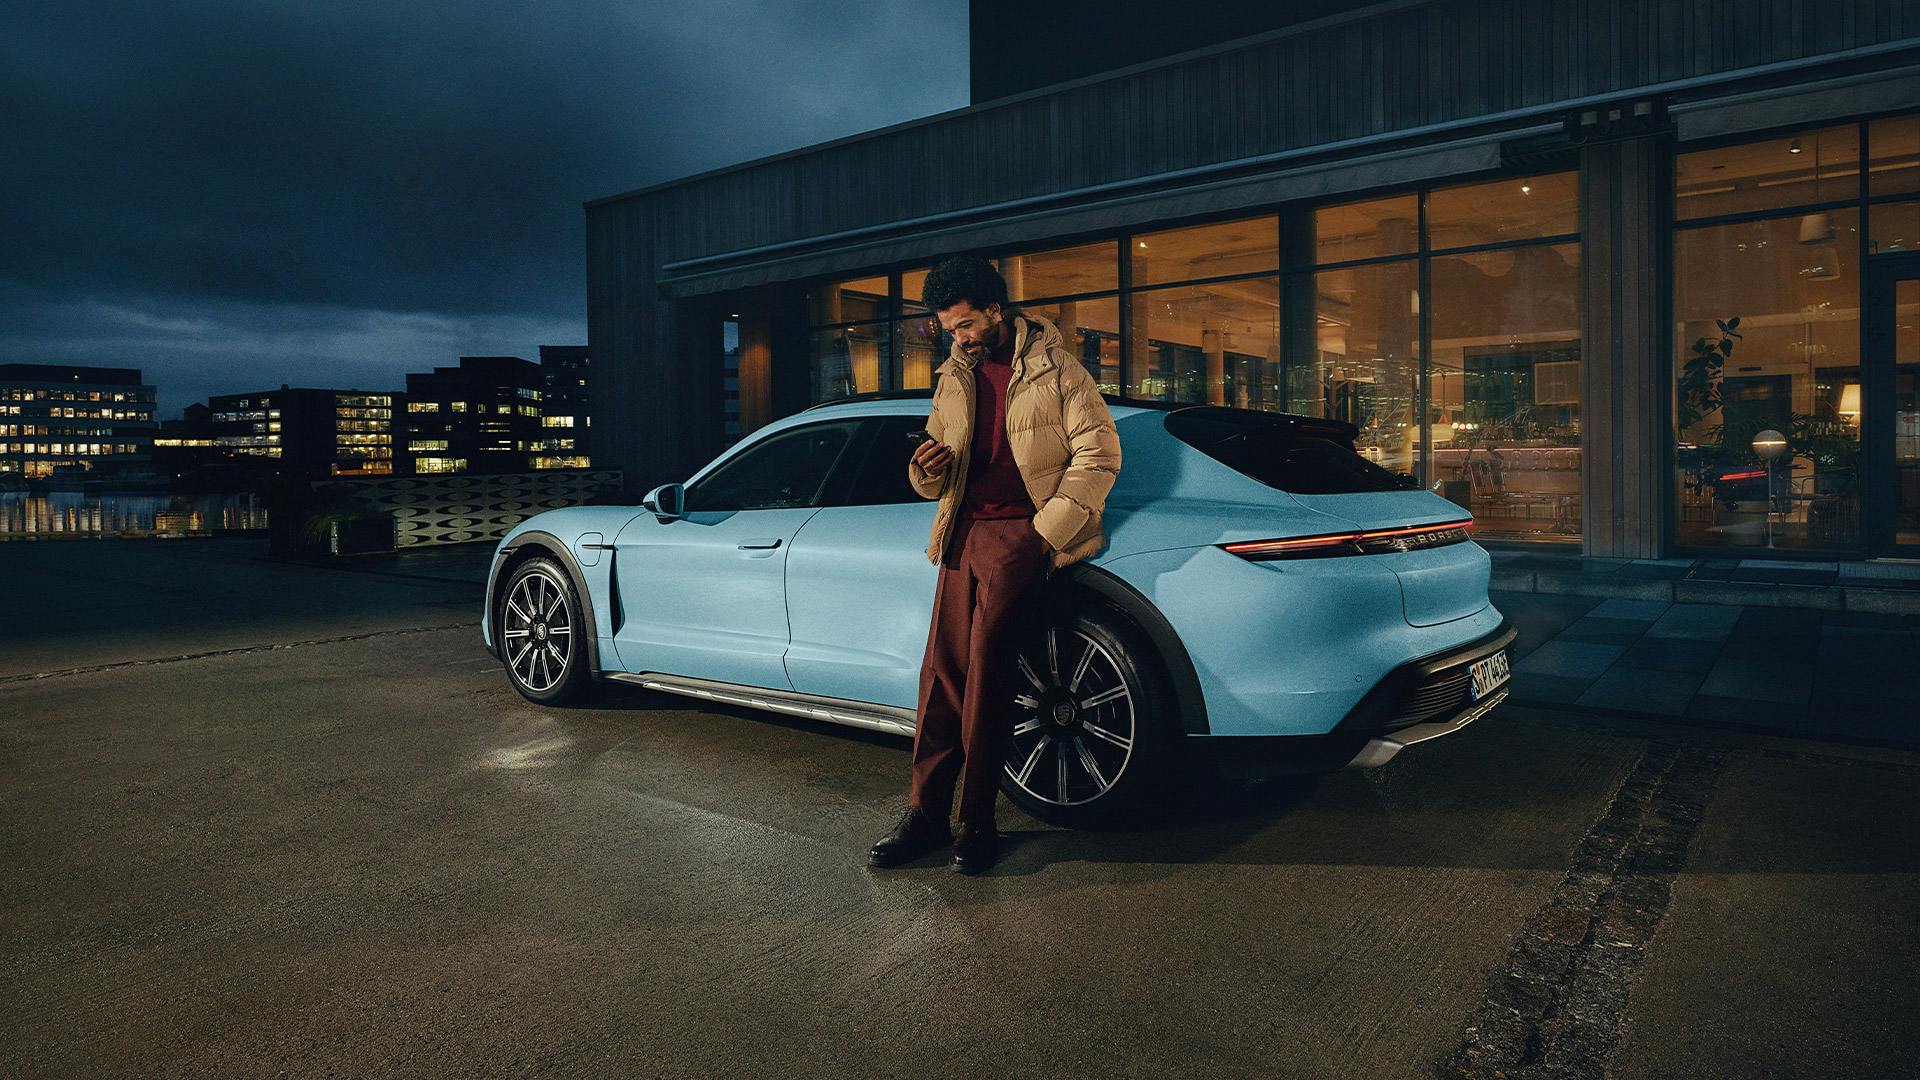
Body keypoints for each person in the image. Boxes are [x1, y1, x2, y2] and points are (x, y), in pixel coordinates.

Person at [867, 254, 1121, 874]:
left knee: (988, 679)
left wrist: (1042, 534)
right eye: (948, 329)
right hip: (960, 534)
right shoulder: (954, 375)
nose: (957, 338)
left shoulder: (1060, 370)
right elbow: (937, 470)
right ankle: (925, 816)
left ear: (995, 310)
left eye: (965, 325)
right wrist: (925, 470)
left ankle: (977, 820)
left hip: (1019, 534)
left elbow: (1099, 456)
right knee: (940, 679)